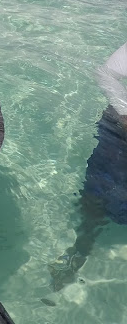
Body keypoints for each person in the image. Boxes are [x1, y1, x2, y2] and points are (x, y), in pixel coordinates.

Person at [49, 41, 127, 291]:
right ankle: (81, 246)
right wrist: (124, 112)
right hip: (121, 124)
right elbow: (105, 73)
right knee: (98, 192)